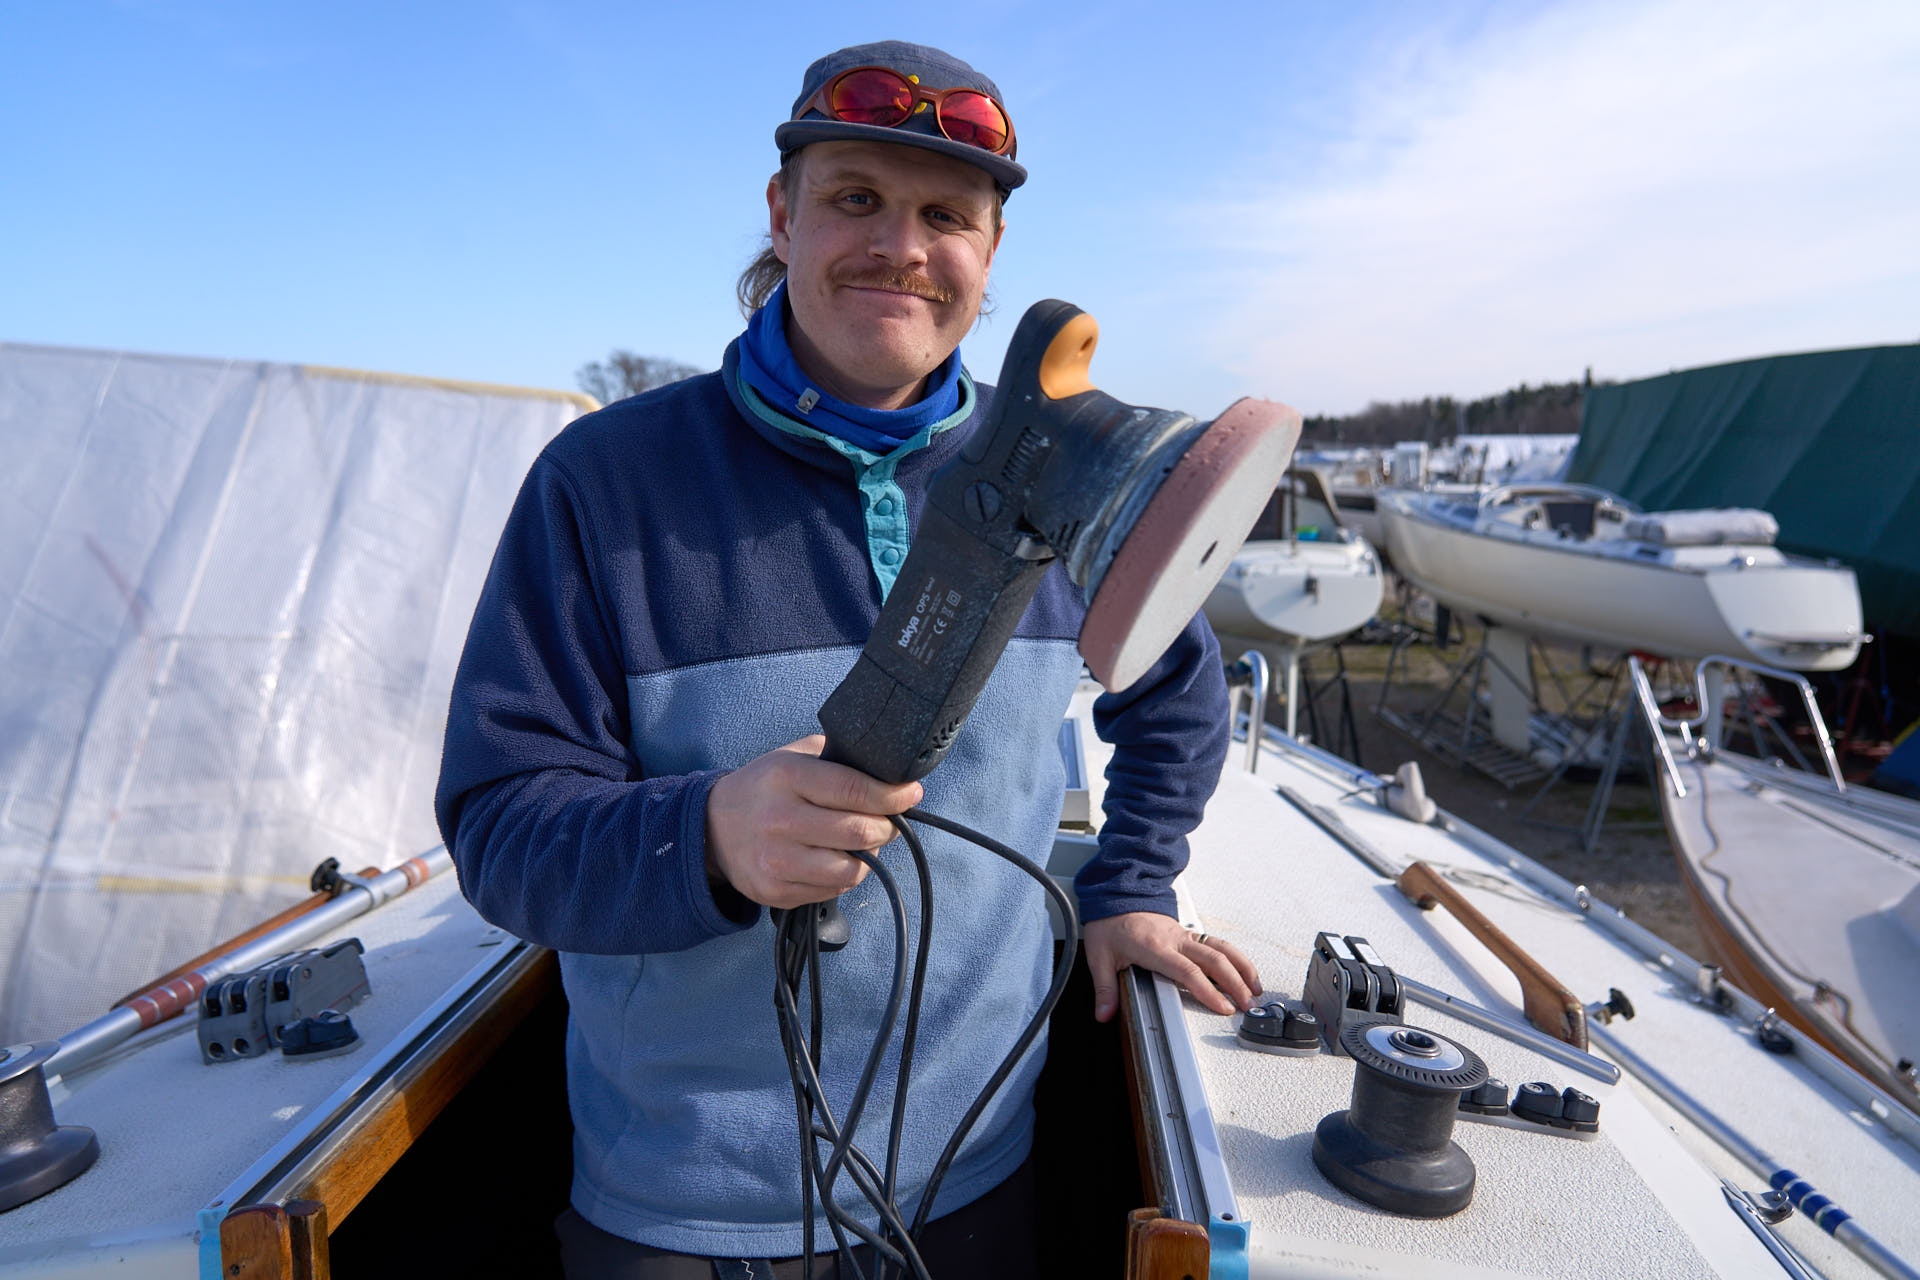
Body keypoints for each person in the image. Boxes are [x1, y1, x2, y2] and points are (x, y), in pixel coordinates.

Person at [435, 39, 1262, 1279]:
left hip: (977, 1173)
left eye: (947, 216)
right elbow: (501, 826)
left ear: (992, 252)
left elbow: (1180, 687)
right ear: (783, 215)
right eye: (857, 198)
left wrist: (1132, 882)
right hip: (678, 1210)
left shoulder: (1061, 469)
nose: (901, 246)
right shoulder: (604, 484)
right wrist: (707, 837)